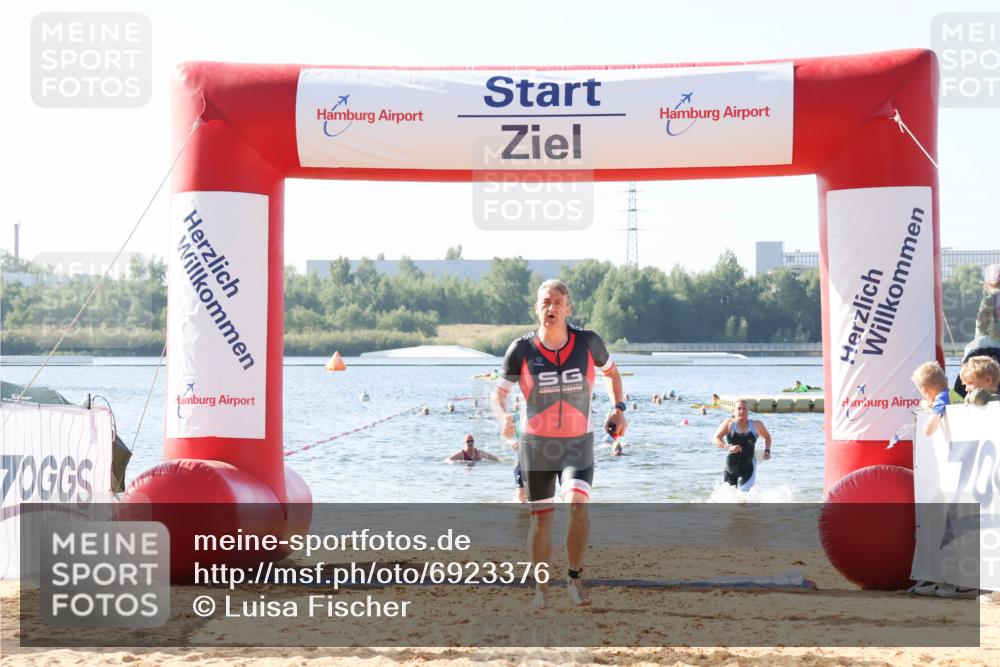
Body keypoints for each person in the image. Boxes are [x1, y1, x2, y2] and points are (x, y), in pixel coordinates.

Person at [491, 279, 627, 609]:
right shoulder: (521, 349)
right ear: (536, 308)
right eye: (544, 303)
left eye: (556, 302)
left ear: (568, 308)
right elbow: (499, 394)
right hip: (536, 446)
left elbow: (611, 373)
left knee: (578, 506)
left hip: (577, 443)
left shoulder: (587, 342)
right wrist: (502, 418)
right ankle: (541, 589)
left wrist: (619, 409)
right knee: (541, 520)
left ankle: (574, 579)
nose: (550, 308)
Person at [954, 264, 1000, 398]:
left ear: (988, 284)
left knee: (973, 347)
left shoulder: (990, 299)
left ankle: (963, 393)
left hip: (988, 345)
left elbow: (981, 326)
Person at [712, 399, 772, 491]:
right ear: (734, 411)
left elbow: (767, 437)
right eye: (739, 409)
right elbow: (716, 439)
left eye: (744, 409)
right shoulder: (728, 424)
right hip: (730, 467)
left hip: (748, 467)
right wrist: (728, 447)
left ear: (748, 411)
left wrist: (767, 450)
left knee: (744, 496)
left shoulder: (757, 425)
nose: (742, 411)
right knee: (729, 497)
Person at [911, 361, 954, 437]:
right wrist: (925, 404)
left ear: (925, 391)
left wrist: (924, 426)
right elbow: (924, 402)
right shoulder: (950, 394)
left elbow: (929, 431)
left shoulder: (941, 400)